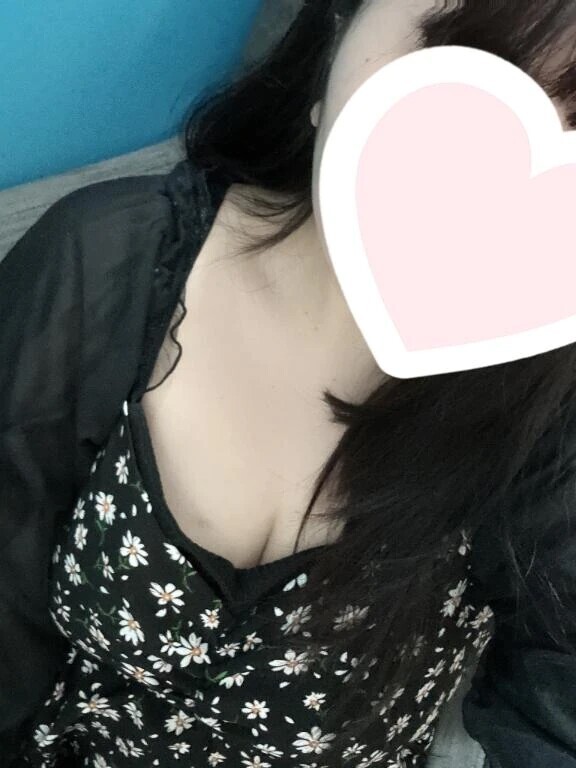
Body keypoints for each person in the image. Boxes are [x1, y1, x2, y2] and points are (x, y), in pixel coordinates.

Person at [1, 0, 576, 765]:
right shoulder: (102, 265)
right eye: (464, 66)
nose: (495, 188)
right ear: (337, 34)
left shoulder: (548, 416)